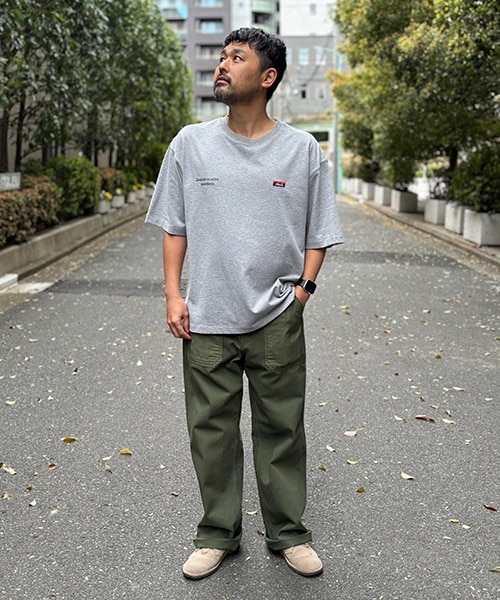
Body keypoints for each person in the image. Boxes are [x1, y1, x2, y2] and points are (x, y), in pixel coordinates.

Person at [146, 27, 343, 580]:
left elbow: (319, 231)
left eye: (237, 57)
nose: (222, 65)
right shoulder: (190, 144)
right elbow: (174, 226)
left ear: (268, 76)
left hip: (278, 315)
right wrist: (173, 294)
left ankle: (288, 533)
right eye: (222, 56)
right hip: (206, 315)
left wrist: (302, 292)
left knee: (282, 428)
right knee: (210, 431)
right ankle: (217, 534)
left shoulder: (302, 150)